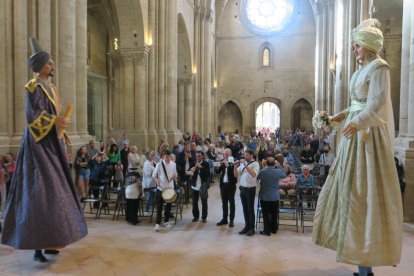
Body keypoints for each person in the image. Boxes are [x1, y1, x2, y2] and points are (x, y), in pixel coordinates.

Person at [312, 19, 403, 276]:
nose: (354, 50)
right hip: (353, 139)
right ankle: (361, 263)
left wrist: (356, 124)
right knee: (350, 198)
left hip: (367, 140)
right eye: (353, 46)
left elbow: (376, 106)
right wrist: (334, 119)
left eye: (357, 45)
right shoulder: (357, 72)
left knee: (363, 197)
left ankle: (367, 266)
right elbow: (354, 105)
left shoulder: (379, 68)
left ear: (369, 45)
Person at [1, 37, 87, 262]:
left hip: (53, 144)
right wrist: (55, 122)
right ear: (39, 66)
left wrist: (63, 128)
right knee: (39, 193)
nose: (52, 66)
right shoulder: (33, 86)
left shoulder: (53, 88)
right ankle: (37, 248)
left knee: (56, 194)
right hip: (38, 145)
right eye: (48, 63)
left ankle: (51, 240)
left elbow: (55, 114)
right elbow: (35, 116)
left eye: (52, 62)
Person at [257, 157, 287, 236]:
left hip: (265, 196)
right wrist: (280, 166)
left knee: (266, 214)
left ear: (266, 163)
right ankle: (274, 229)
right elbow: (285, 174)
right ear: (274, 163)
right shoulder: (278, 171)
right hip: (275, 196)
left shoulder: (263, 171)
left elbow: (258, 178)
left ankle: (267, 230)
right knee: (274, 214)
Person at [234, 149, 260, 236]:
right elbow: (235, 175)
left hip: (250, 189)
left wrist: (245, 164)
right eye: (245, 155)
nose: (245, 156)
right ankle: (246, 226)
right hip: (243, 188)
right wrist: (235, 166)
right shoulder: (242, 164)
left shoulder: (255, 164)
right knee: (245, 209)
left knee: (250, 208)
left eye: (247, 155)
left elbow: (253, 174)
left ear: (252, 155)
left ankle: (251, 228)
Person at [152, 150, 177, 231]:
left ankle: (166, 222)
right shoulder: (159, 164)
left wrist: (175, 177)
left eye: (169, 156)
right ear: (163, 156)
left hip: (170, 188)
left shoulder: (173, 164)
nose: (168, 158)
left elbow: (175, 175)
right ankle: (157, 224)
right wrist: (157, 182)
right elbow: (154, 175)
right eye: (166, 156)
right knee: (159, 206)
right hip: (161, 188)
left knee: (168, 206)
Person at [217, 149, 237, 228]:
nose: (225, 156)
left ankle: (231, 220)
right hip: (223, 185)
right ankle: (224, 219)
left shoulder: (234, 162)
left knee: (231, 203)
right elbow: (218, 172)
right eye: (224, 154)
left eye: (226, 154)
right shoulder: (224, 161)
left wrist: (227, 165)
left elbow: (234, 175)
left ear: (230, 154)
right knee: (224, 203)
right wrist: (220, 165)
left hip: (231, 185)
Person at [189, 151, 211, 223]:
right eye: (196, 156)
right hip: (194, 185)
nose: (197, 158)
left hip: (202, 185)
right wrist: (192, 170)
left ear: (202, 156)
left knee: (204, 201)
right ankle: (195, 216)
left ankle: (204, 217)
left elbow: (208, 174)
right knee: (194, 202)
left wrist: (201, 167)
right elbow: (189, 172)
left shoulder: (206, 163)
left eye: (199, 156)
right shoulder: (193, 163)